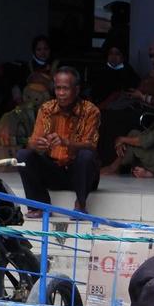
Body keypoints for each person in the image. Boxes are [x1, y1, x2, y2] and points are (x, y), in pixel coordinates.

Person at [16, 67, 100, 212]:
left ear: (77, 89)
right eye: (58, 88)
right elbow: (32, 143)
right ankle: (39, 206)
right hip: (54, 171)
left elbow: (91, 146)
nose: (61, 93)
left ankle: (80, 204)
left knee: (86, 156)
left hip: (80, 173)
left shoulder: (90, 110)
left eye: (65, 89)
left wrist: (66, 143)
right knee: (23, 156)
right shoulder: (46, 109)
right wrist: (37, 145)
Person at [98, 37, 154, 164]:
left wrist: (142, 97)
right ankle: (104, 160)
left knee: (114, 119)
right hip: (137, 108)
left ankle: (111, 162)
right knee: (106, 115)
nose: (152, 60)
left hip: (149, 115)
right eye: (151, 56)